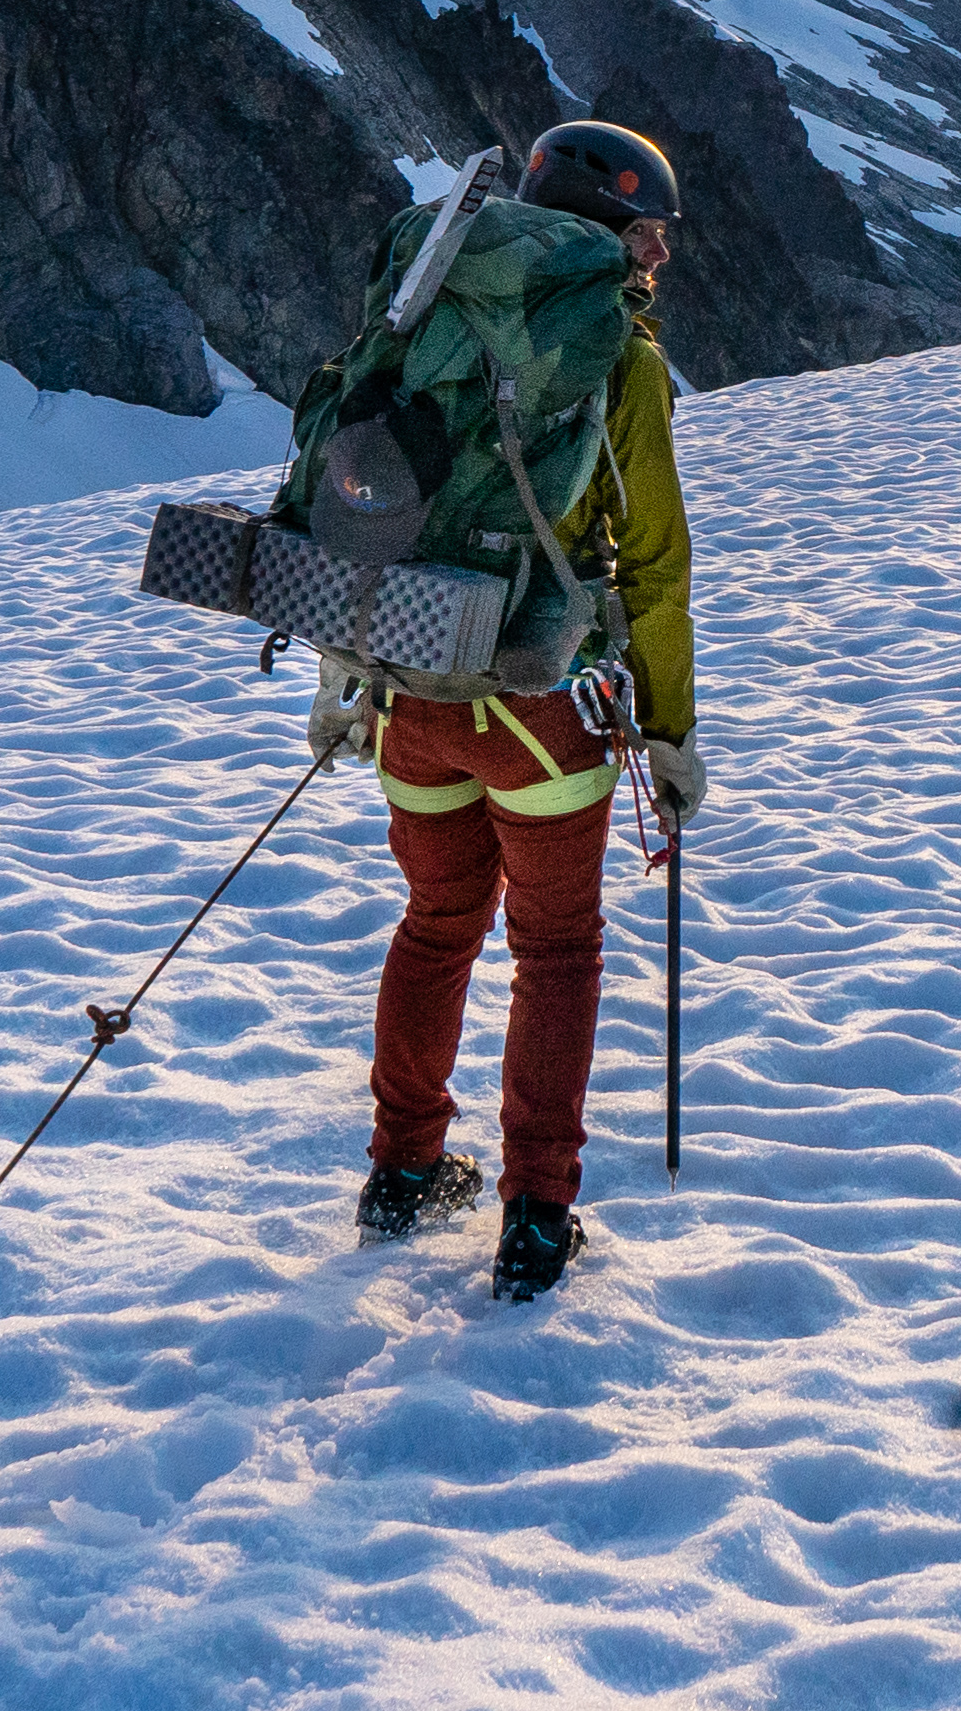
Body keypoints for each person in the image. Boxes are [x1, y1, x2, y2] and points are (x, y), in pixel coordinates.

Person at [354, 119, 707, 1300]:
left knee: (435, 922)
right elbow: (654, 560)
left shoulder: (436, 307)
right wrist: (671, 728)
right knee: (556, 952)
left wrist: (346, 672)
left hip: (412, 680)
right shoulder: (621, 354)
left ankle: (401, 1173)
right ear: (611, 231)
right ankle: (537, 1218)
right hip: (540, 701)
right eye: (651, 236)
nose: (657, 261)